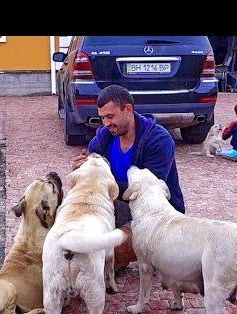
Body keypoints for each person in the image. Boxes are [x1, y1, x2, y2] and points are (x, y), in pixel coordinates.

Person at [72, 85, 185, 270]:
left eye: (110, 116)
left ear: (128, 109)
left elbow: (147, 192)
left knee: (106, 257)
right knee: (72, 229)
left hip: (154, 215)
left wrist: (103, 183)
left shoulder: (159, 140)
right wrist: (84, 169)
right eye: (102, 118)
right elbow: (92, 167)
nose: (106, 123)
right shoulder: (105, 135)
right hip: (116, 203)